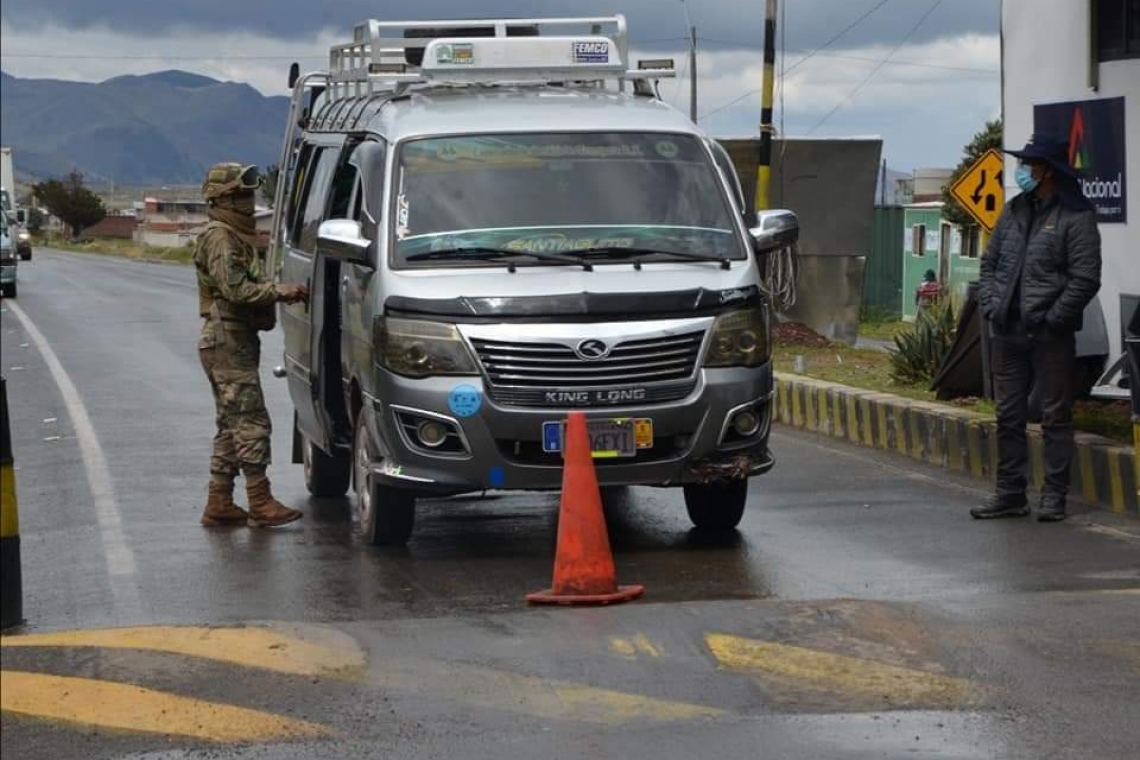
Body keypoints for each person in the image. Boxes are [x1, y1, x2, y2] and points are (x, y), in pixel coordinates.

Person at [973, 135, 1101, 522]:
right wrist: (992, 306)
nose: (1023, 171)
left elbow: (1085, 278)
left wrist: (1054, 318)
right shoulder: (1013, 211)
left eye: (1030, 165)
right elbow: (990, 265)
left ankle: (1054, 497)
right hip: (1007, 332)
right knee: (1008, 415)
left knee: (1054, 416)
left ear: (1047, 171)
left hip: (1050, 335)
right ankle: (1011, 493)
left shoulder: (1076, 217)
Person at [195, 163, 309, 527]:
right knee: (251, 423)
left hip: (234, 339)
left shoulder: (234, 235)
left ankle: (219, 502)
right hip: (226, 339)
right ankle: (260, 502)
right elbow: (235, 289)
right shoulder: (220, 237)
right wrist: (281, 291)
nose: (249, 201)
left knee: (231, 425)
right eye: (242, 195)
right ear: (224, 198)